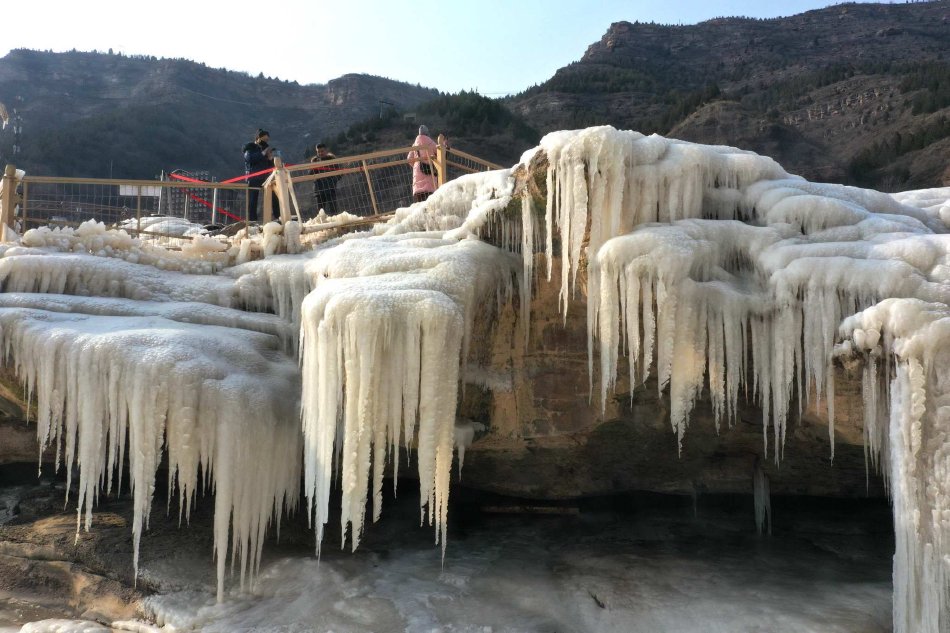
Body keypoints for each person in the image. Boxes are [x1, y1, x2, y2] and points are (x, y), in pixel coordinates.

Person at [242, 129, 278, 222]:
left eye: (267, 140)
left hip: (265, 177)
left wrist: (270, 159)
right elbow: (250, 159)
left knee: (274, 195)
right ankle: (252, 221)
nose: (266, 142)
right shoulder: (250, 147)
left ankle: (277, 217)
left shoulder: (265, 149)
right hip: (253, 178)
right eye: (264, 139)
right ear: (258, 138)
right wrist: (263, 153)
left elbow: (270, 166)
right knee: (253, 201)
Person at [407, 125, 437, 203]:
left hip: (417, 172)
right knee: (430, 202)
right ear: (427, 133)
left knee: (419, 203)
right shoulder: (430, 142)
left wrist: (416, 166)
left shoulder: (415, 144)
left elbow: (409, 159)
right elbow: (440, 153)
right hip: (429, 172)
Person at [310, 143, 341, 215]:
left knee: (333, 210)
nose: (320, 153)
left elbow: (339, 172)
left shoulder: (332, 159)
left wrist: (333, 181)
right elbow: (310, 174)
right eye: (318, 151)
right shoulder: (314, 161)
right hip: (319, 190)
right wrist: (315, 166)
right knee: (321, 212)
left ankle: (336, 224)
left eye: (322, 151)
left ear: (326, 151)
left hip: (330, 188)